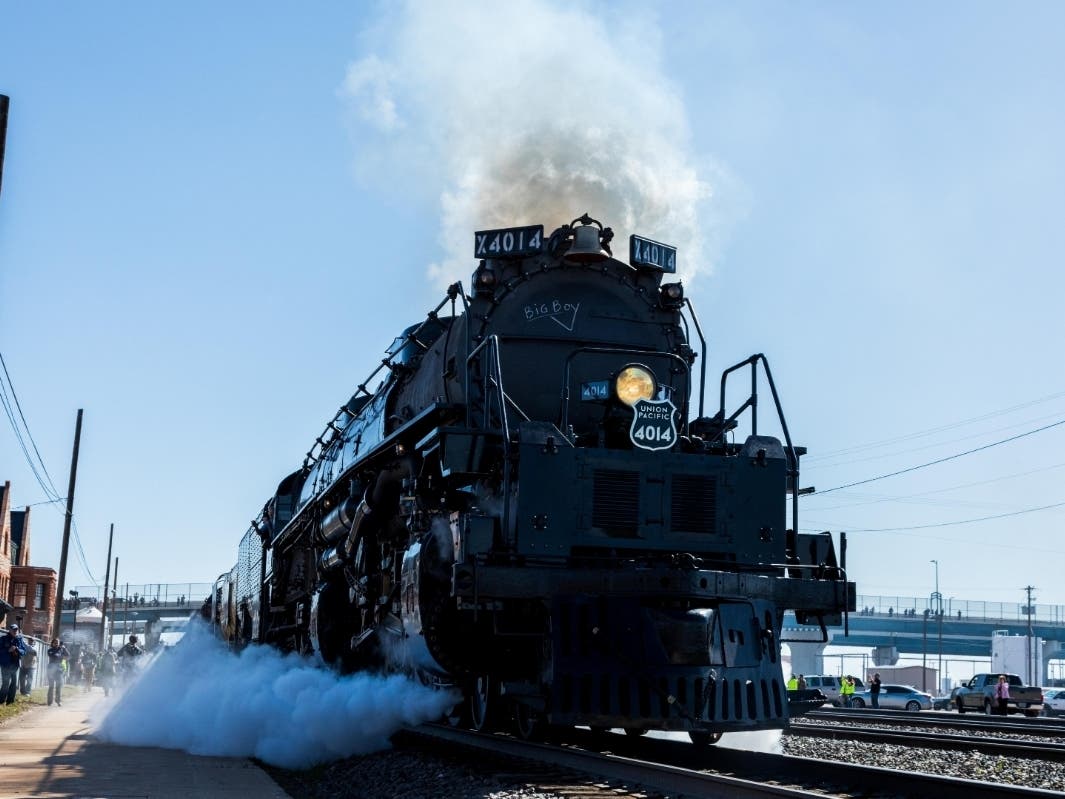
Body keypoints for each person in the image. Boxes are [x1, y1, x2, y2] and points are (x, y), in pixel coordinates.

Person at [1, 624, 27, 705]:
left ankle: (10, 701)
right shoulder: (3, 639)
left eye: (16, 630)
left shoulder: (19, 640)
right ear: (10, 630)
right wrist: (8, 650)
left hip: (15, 665)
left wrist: (17, 649)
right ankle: (1, 700)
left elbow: (24, 651)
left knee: (14, 683)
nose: (15, 631)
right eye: (13, 629)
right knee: (6, 683)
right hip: (5, 664)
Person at [46, 638, 70, 707]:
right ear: (52, 643)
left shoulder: (61, 649)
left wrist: (64, 648)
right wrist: (62, 656)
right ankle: (49, 701)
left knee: (58, 686)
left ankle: (58, 701)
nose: (56, 644)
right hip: (51, 669)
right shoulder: (50, 650)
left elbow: (68, 655)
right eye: (55, 642)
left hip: (59, 670)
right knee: (51, 686)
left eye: (57, 643)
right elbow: (54, 656)